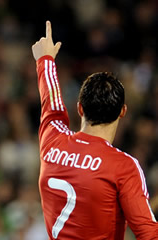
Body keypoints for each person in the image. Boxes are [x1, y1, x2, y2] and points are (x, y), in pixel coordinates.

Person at [32, 21, 158, 239]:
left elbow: (51, 106)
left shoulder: (52, 140)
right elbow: (149, 234)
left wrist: (45, 61)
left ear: (79, 108)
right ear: (123, 111)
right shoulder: (124, 167)